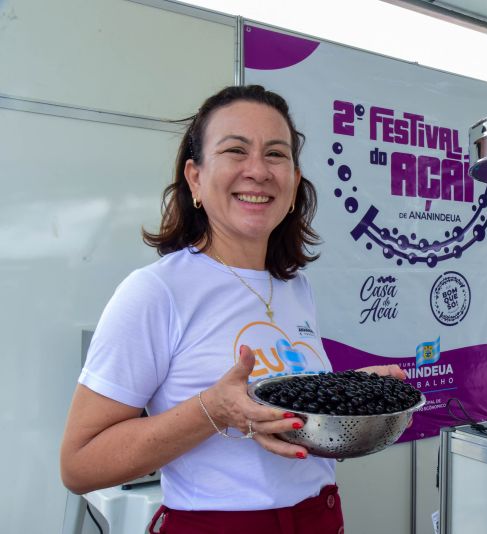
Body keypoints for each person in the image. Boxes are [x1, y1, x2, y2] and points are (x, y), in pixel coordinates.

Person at [60, 85, 404, 534]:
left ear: (295, 181)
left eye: (276, 154)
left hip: (322, 517)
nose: (258, 171)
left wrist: (349, 395)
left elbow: (293, 408)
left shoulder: (296, 288)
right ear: (196, 177)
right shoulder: (156, 292)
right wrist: (213, 410)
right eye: (235, 150)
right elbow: (80, 464)